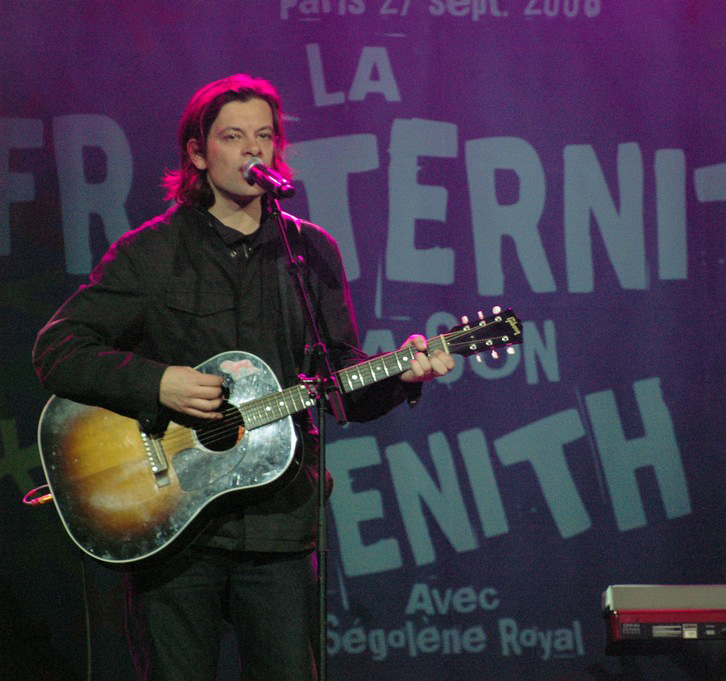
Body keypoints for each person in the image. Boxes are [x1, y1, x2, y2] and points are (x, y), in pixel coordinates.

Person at [32, 74, 454, 681]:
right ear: (199, 153)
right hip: (171, 529)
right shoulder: (150, 254)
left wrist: (403, 374)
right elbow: (58, 349)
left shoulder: (310, 254)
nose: (253, 150)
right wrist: (157, 383)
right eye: (233, 137)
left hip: (280, 530)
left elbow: (339, 386)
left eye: (265, 137)